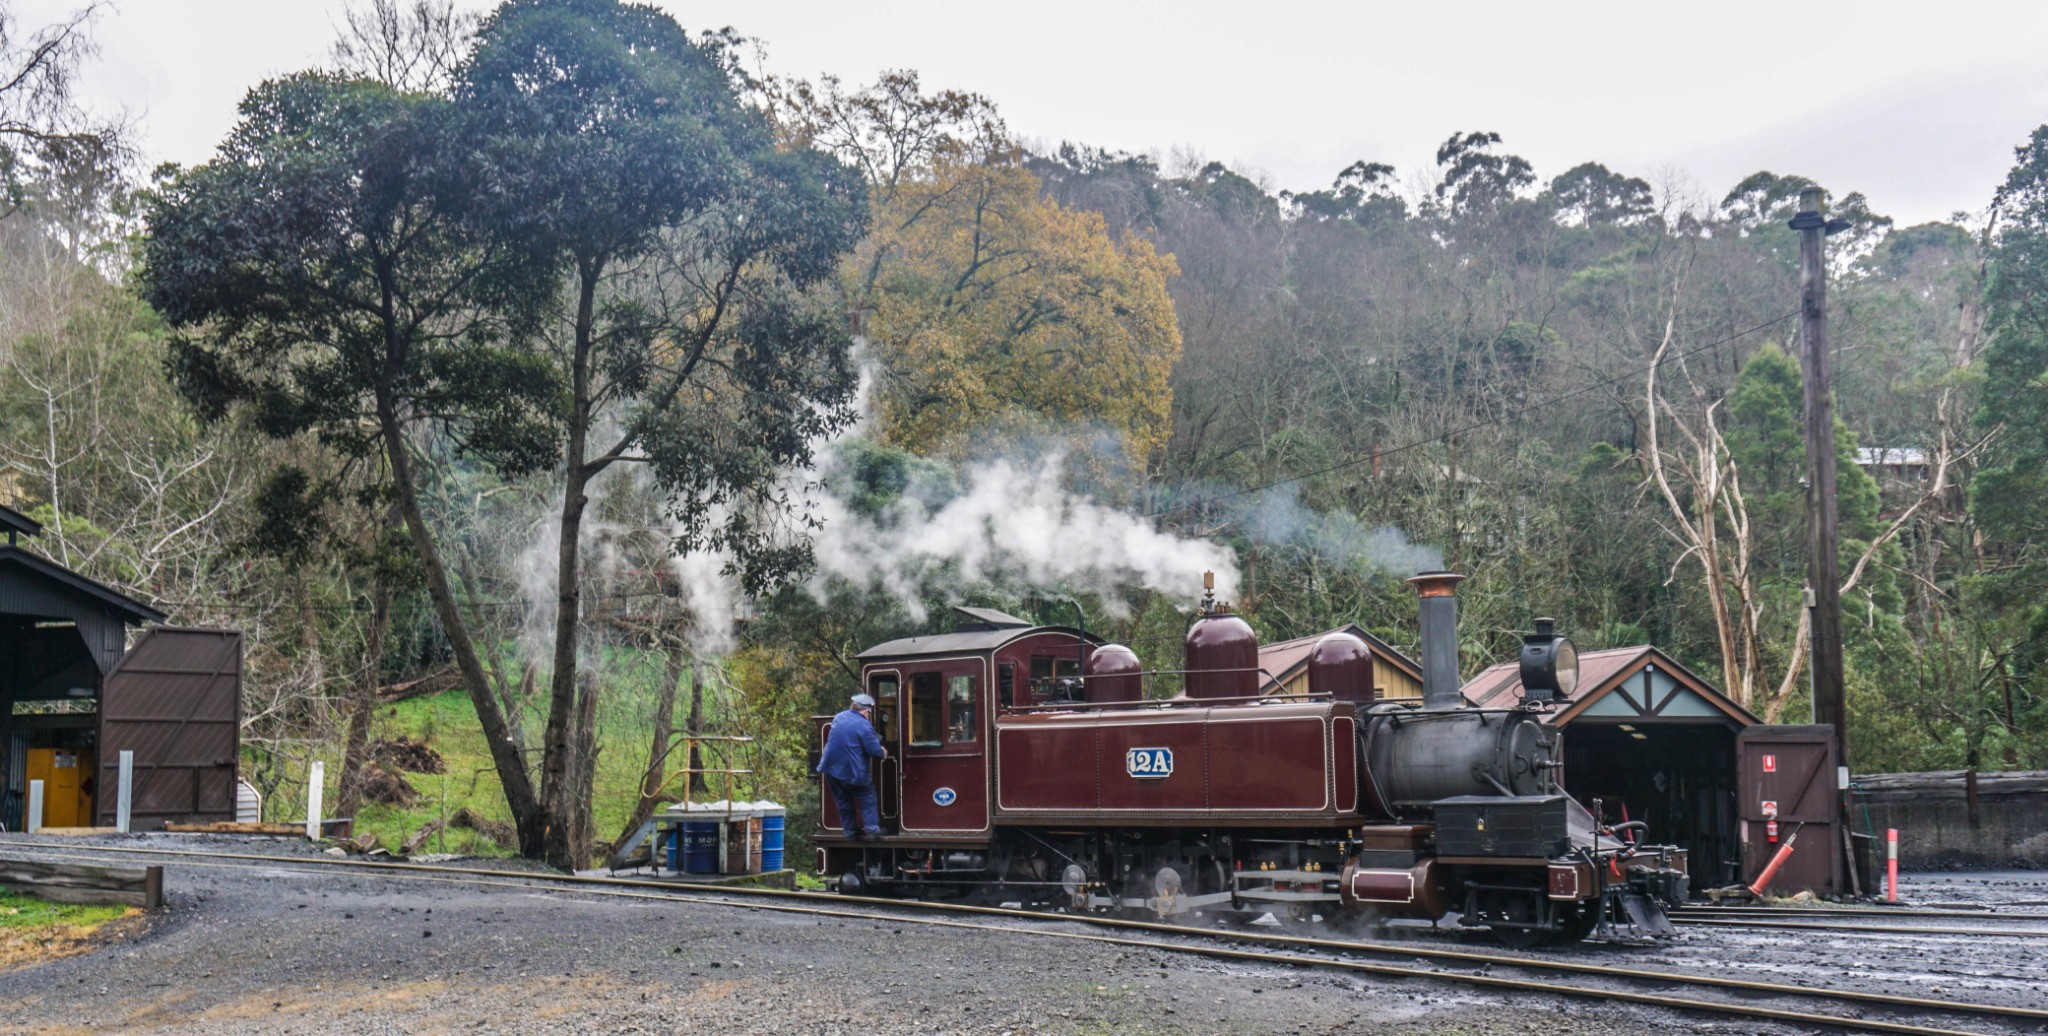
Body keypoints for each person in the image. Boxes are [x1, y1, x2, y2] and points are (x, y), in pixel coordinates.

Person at [818, 692, 887, 840]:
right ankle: (872, 829)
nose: (868, 715)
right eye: (869, 713)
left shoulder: (839, 717)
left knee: (843, 801)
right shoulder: (864, 725)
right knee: (867, 796)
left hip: (831, 769)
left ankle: (850, 832)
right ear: (864, 711)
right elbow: (874, 750)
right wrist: (882, 751)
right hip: (853, 771)